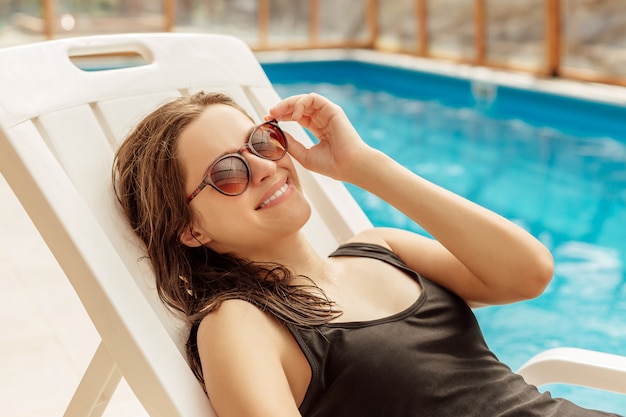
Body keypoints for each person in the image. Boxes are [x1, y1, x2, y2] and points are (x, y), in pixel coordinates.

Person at [113, 91, 621, 417]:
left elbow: (528, 273)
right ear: (190, 230)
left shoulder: (382, 247)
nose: (264, 168)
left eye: (262, 142)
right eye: (227, 172)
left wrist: (362, 165)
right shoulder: (238, 324)